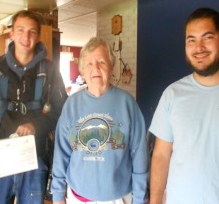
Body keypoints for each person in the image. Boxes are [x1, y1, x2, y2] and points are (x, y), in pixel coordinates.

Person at [149, 7, 219, 204]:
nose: (199, 47)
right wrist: (154, 201)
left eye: (207, 37)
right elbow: (161, 155)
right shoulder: (172, 94)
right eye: (191, 40)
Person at [0, 10, 68, 203]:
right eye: (21, 30)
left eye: (32, 31)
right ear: (11, 34)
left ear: (38, 36)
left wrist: (36, 126)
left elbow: (61, 111)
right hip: (0, 155)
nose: (26, 37)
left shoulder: (50, 71)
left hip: (35, 157)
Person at [51, 37, 148, 204]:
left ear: (111, 67)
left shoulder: (127, 104)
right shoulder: (71, 104)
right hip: (78, 197)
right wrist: (58, 194)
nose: (95, 67)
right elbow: (61, 153)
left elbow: (140, 156)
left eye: (101, 62)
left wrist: (140, 199)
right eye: (89, 63)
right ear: (82, 70)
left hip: (119, 198)